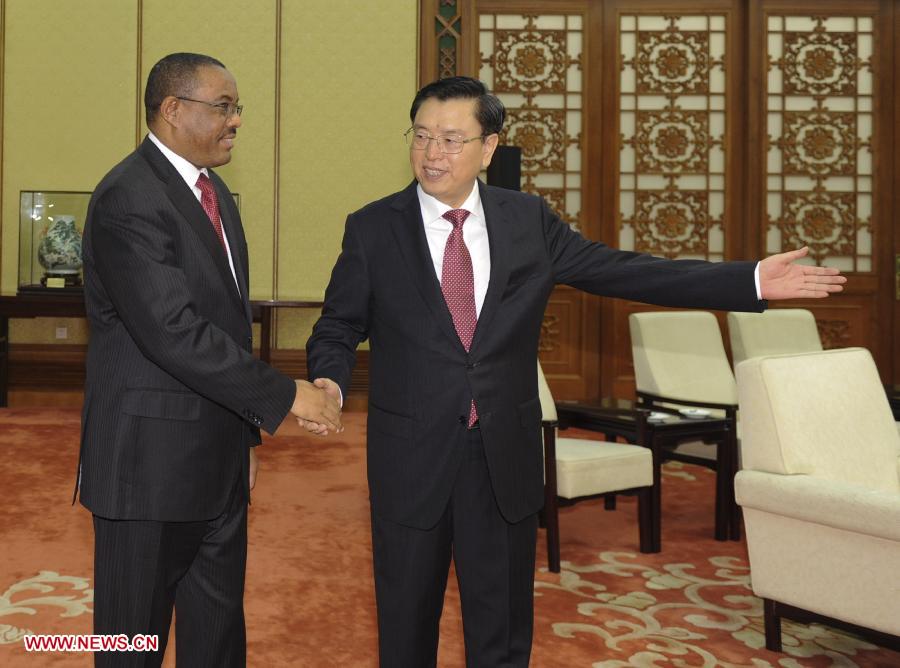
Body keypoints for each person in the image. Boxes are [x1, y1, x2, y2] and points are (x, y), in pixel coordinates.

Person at [304, 76, 845, 667]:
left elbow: (628, 271)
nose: (434, 154)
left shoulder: (528, 220)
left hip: (502, 453)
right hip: (410, 452)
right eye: (423, 137)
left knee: (502, 628)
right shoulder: (374, 227)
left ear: (488, 149)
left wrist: (751, 281)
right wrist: (329, 378)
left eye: (452, 139)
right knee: (406, 626)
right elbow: (338, 323)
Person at [79, 52, 341, 667]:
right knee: (131, 644)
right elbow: (173, 332)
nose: (237, 121)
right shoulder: (128, 197)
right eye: (223, 106)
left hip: (217, 461)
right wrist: (289, 397)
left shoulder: (211, 189)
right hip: (146, 470)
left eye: (237, 108)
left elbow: (226, 325)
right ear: (172, 110)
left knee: (218, 636)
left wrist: (244, 441)